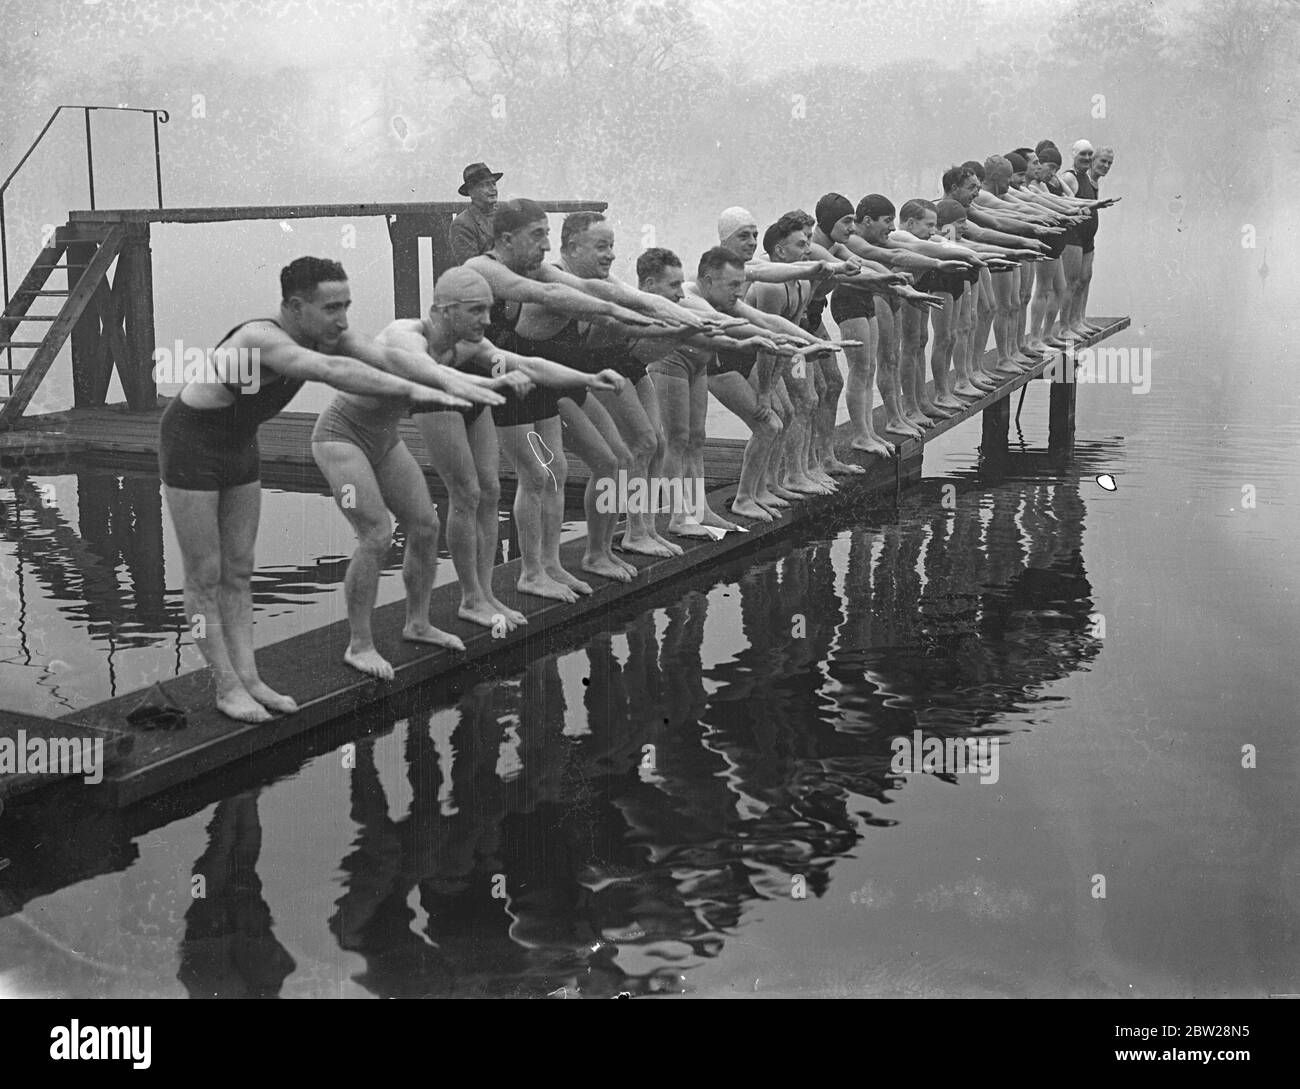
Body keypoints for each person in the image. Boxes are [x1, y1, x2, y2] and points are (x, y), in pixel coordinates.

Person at [159, 257, 477, 722]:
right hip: (191, 445)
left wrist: (451, 378)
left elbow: (387, 358)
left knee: (241, 568)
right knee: (205, 573)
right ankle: (225, 686)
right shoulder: (260, 338)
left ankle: (250, 679)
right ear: (294, 306)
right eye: (331, 308)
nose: (342, 319)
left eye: (347, 305)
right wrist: (426, 393)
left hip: (240, 444)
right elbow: (329, 371)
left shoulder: (329, 333)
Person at [463, 199, 691, 602]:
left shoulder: (544, 270)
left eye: (546, 236)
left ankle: (571, 558)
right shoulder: (494, 271)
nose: (545, 246)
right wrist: (622, 313)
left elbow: (595, 291)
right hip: (508, 376)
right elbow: (556, 294)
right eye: (539, 236)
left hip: (554, 378)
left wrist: (683, 317)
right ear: (506, 239)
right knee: (539, 474)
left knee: (594, 462)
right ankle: (535, 570)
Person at [448, 162, 502, 266]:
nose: (493, 188)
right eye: (485, 185)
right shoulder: (462, 224)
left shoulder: (505, 215)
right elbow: (474, 268)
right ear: (471, 192)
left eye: (493, 183)